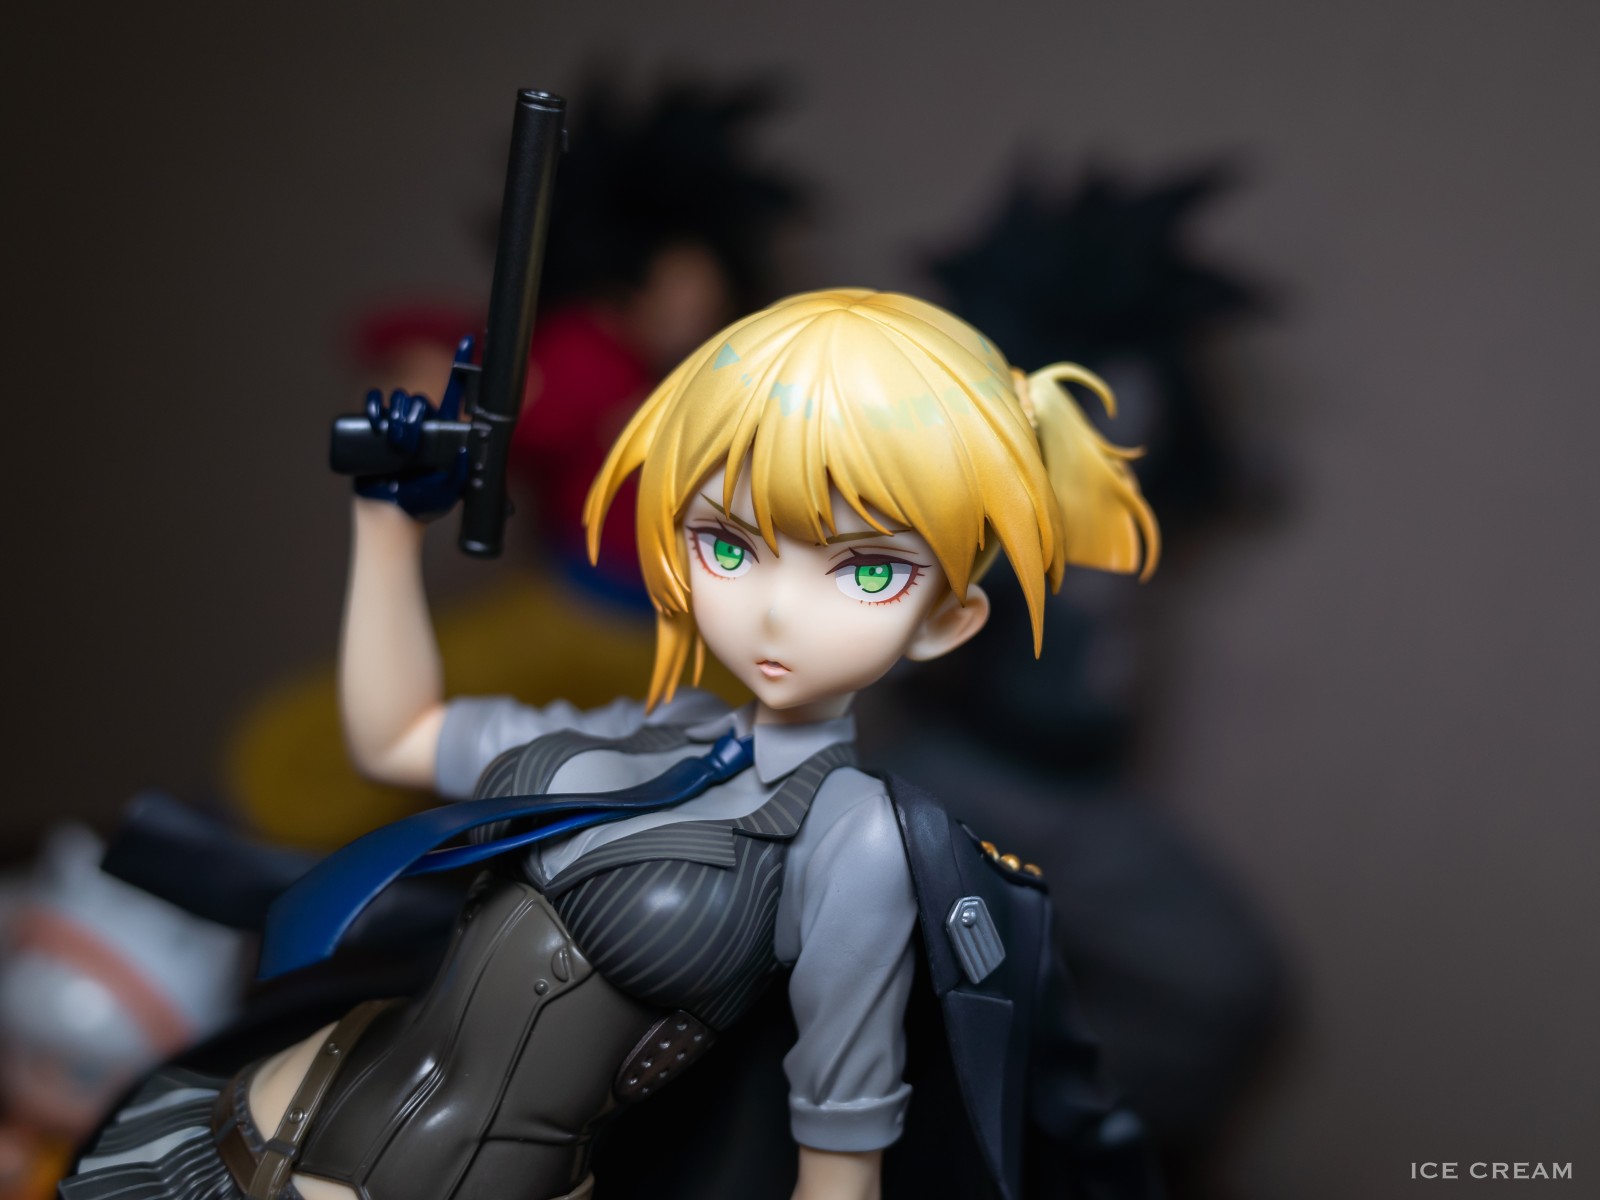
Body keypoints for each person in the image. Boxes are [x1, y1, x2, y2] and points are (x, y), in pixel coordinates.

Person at [62, 290, 1160, 1200]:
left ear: (946, 620)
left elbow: (839, 1157)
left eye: (866, 569)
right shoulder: (643, 731)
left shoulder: (854, 840)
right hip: (254, 1123)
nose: (777, 610)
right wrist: (387, 529)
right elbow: (394, 737)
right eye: (728, 543)